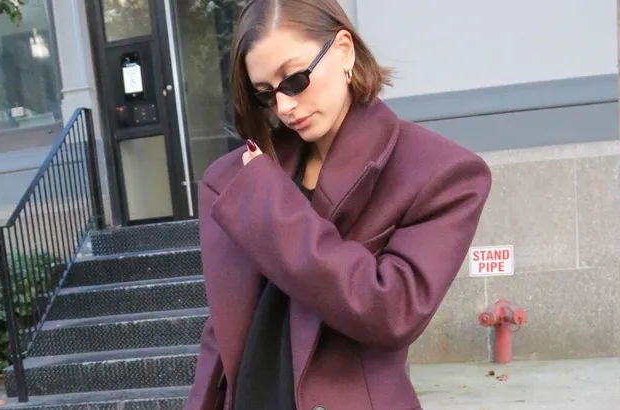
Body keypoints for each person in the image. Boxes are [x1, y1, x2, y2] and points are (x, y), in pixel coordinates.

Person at [183, 0, 492, 409]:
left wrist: (272, 205)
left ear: (344, 50)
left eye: (295, 80)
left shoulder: (439, 172)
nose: (284, 107)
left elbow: (392, 312)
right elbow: (222, 331)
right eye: (265, 94)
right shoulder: (232, 178)